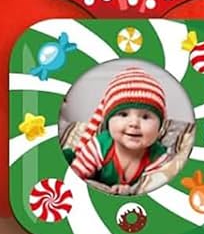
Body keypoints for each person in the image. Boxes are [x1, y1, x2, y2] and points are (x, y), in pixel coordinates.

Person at [65, 67, 173, 195]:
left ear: (160, 126)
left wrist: (131, 190)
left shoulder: (158, 157)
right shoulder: (99, 146)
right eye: (123, 114)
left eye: (145, 117)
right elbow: (75, 176)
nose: (134, 124)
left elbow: (154, 189)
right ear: (108, 121)